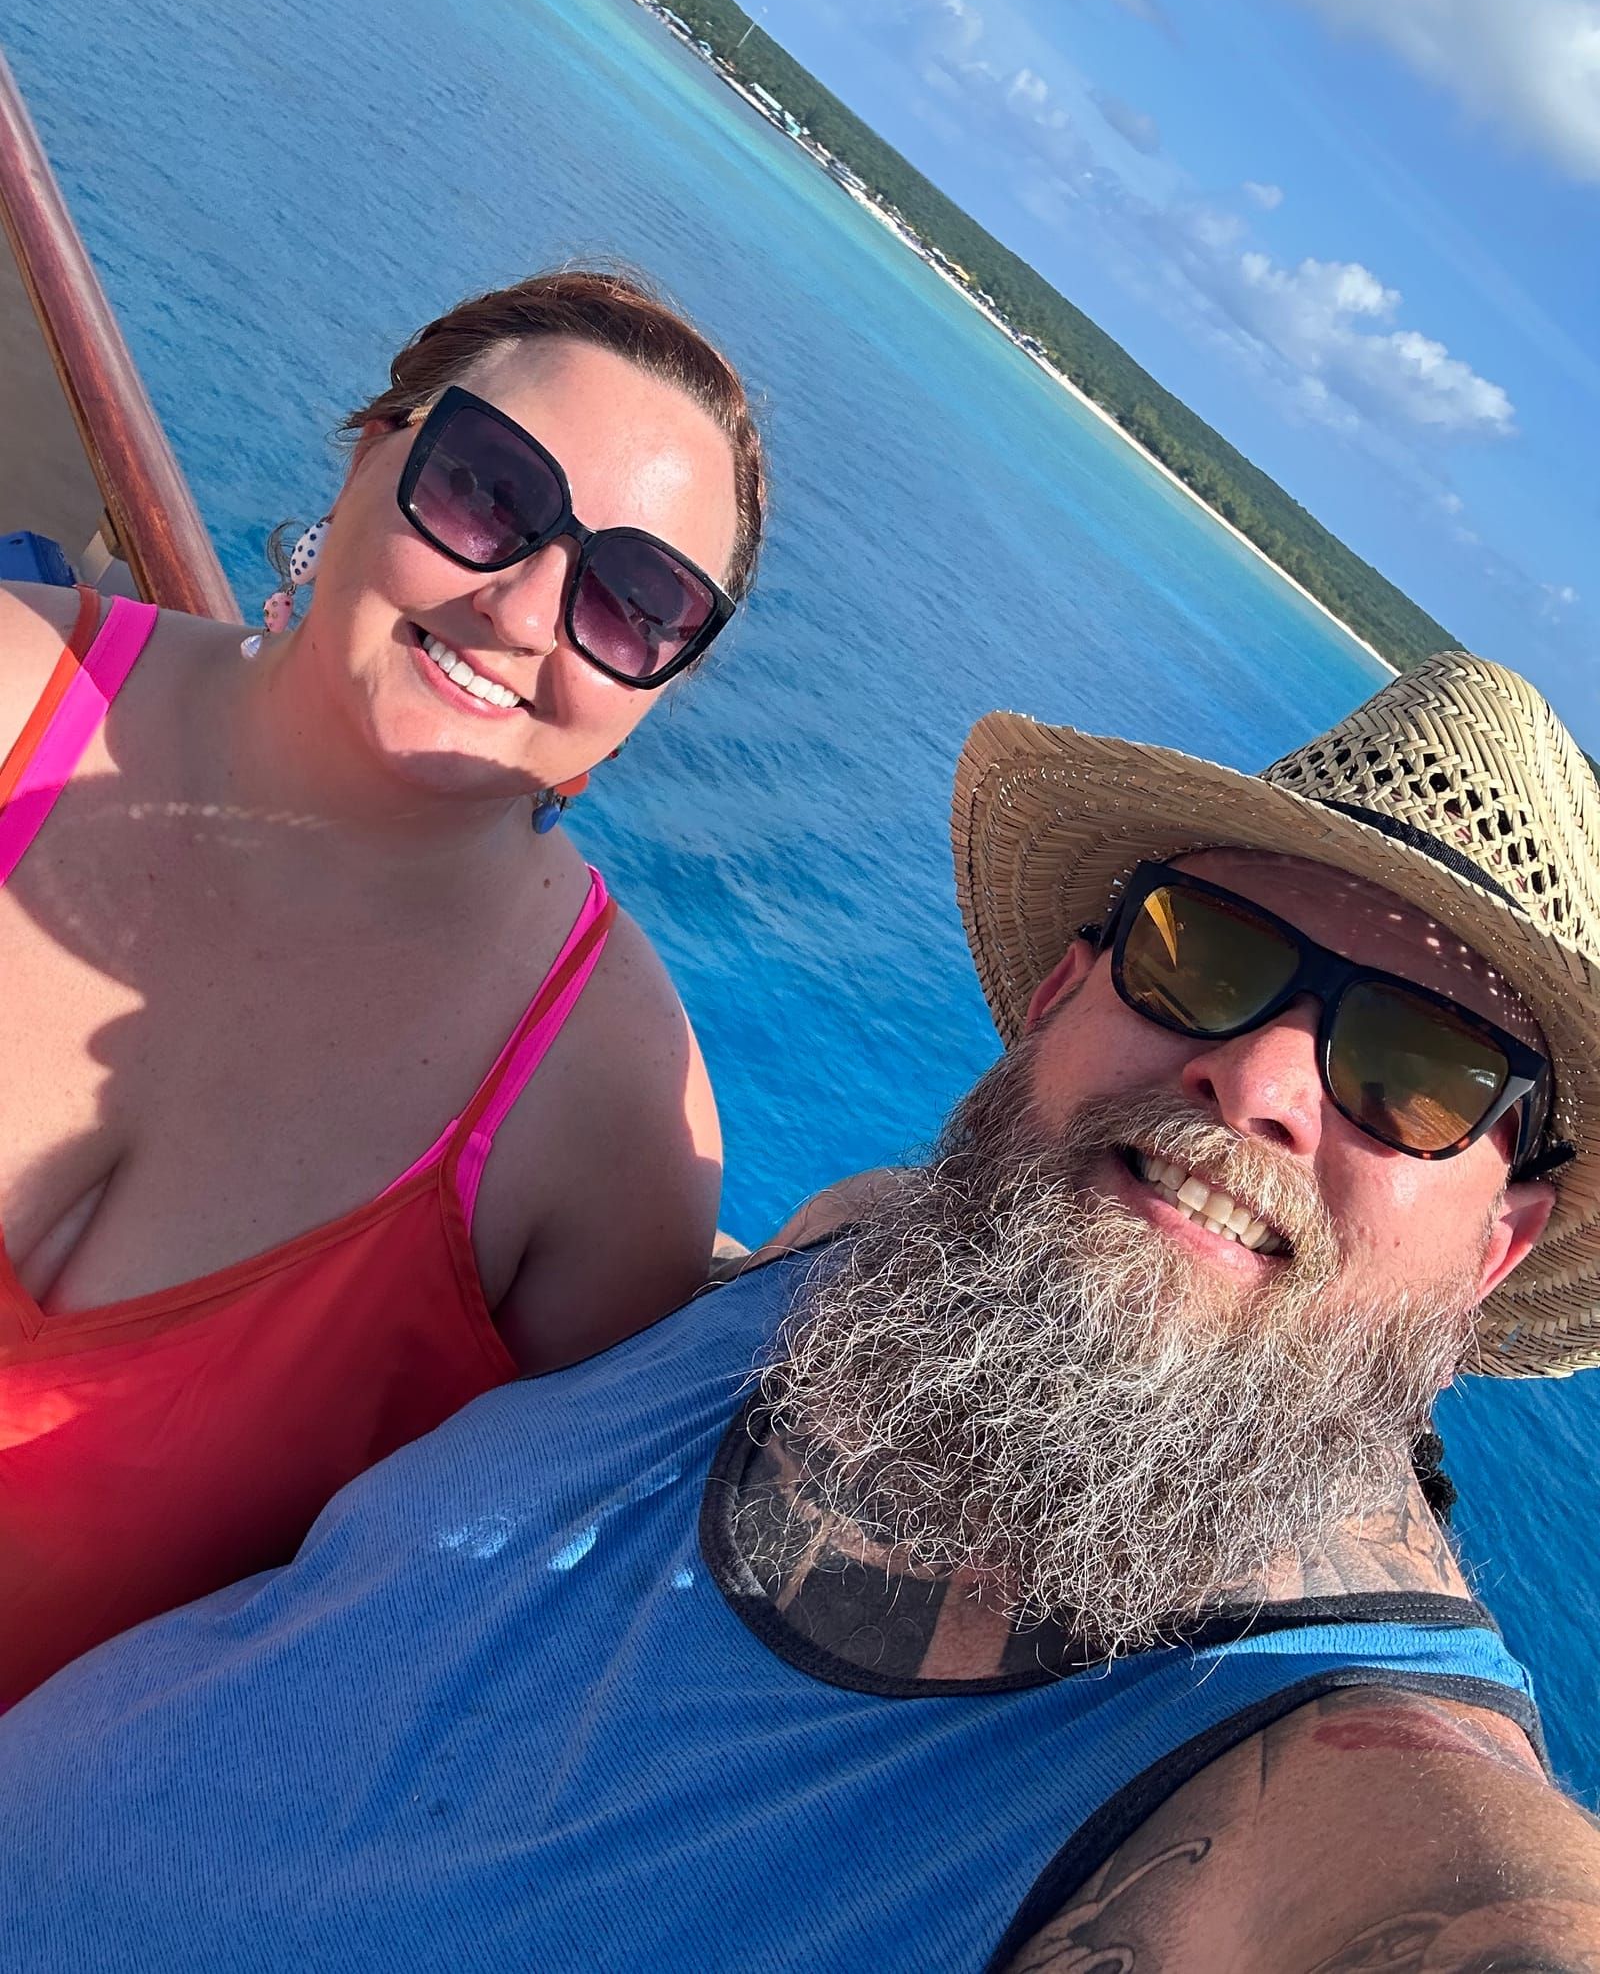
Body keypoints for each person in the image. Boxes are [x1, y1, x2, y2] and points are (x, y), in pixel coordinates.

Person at [4, 650, 1600, 1973]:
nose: (1257, 1078)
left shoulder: (1332, 1761)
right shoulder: (870, 1249)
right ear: (1063, 992)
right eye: (1208, 951)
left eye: (1417, 1071)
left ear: (1498, 1244)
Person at [0, 267, 765, 1703]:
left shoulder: (609, 1129)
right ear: (371, 451)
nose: (524, 610)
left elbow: (428, 1659)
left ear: (660, 684)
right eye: (490, 490)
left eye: (632, 600)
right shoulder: (10, 686)